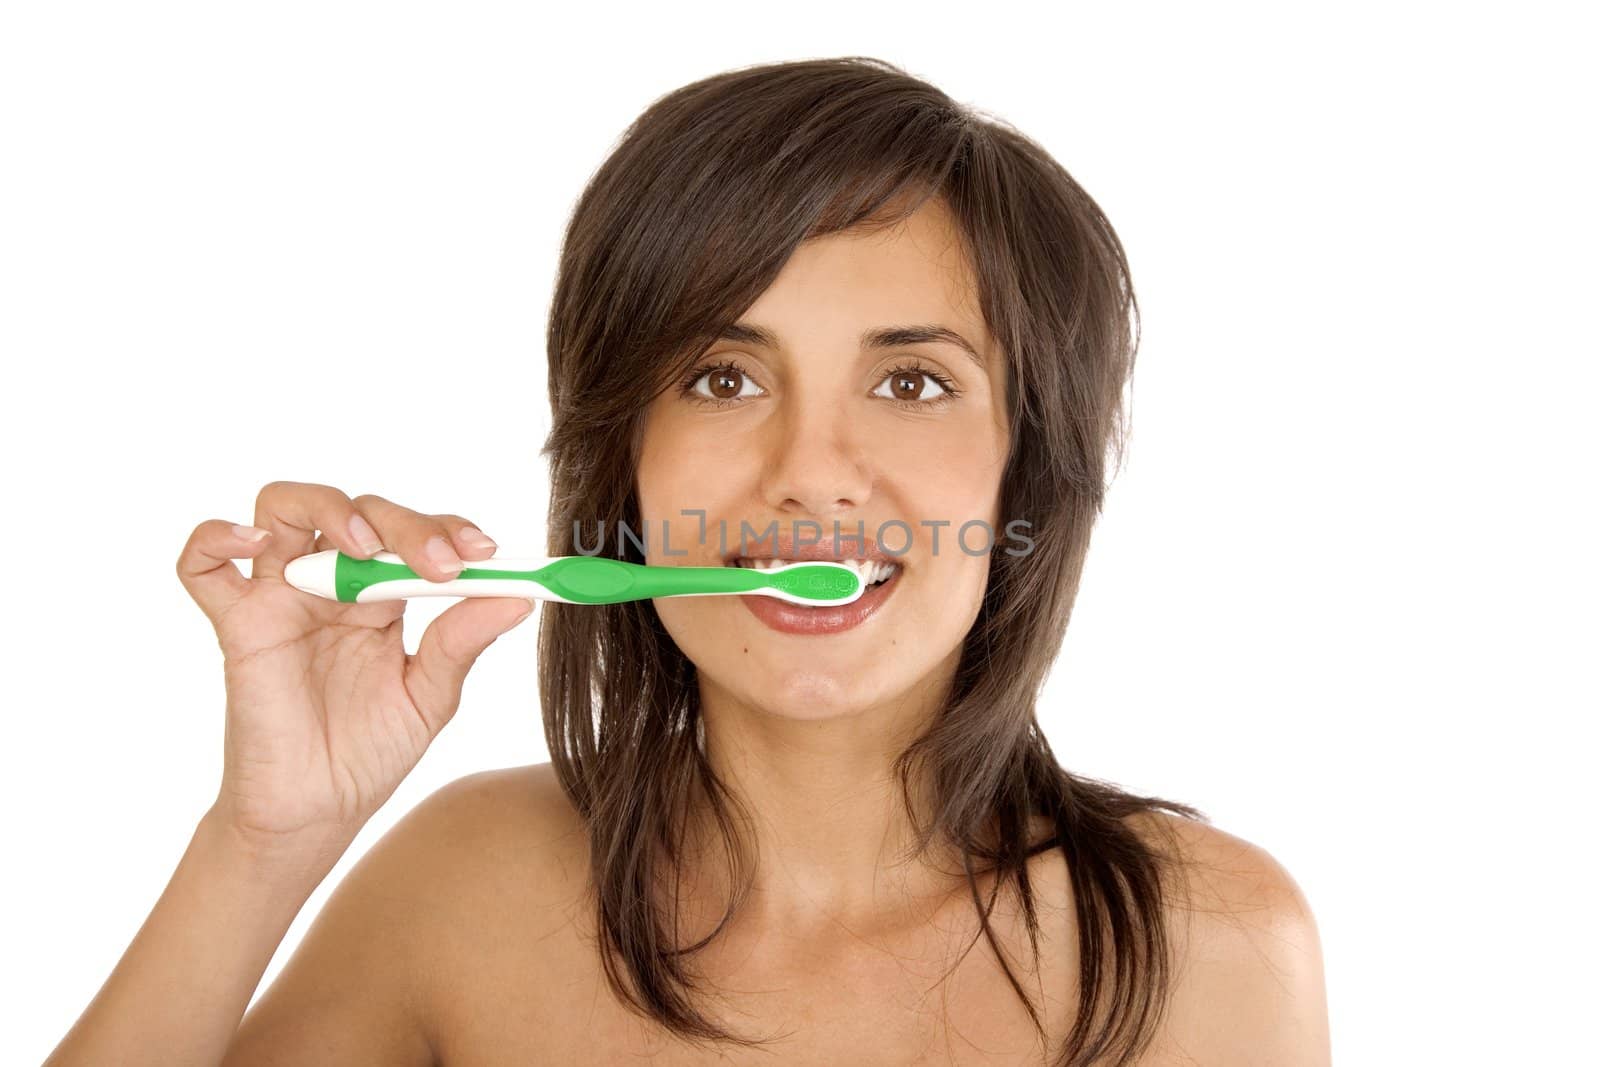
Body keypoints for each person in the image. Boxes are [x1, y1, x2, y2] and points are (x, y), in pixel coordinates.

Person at [46, 57, 1330, 1065]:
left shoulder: (1215, 945)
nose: (810, 471)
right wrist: (266, 836)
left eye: (911, 380)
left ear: (1024, 473)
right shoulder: (462, 890)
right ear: (626, 466)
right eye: (721, 376)